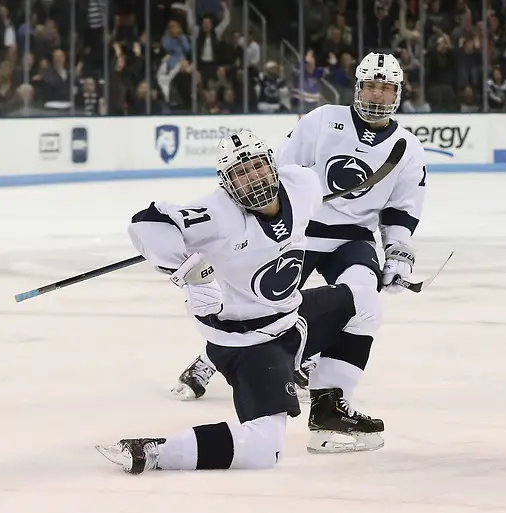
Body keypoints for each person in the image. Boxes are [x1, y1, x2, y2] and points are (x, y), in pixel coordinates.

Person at [96, 130, 386, 474]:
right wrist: (190, 271)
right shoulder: (217, 214)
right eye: (240, 173)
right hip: (248, 343)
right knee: (263, 450)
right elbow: (148, 224)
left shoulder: (302, 185)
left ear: (273, 166)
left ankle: (328, 409)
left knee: (365, 302)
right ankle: (157, 452)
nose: (252, 178)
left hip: (291, 318)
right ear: (226, 183)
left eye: (257, 167)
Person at [172, 51, 428, 408]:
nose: (377, 96)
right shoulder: (323, 120)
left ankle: (305, 360)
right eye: (370, 87)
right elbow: (278, 171)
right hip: (301, 228)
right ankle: (208, 361)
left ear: (398, 93)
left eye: (386, 89)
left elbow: (401, 206)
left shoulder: (408, 148)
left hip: (353, 238)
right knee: (254, 302)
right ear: (357, 88)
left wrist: (398, 250)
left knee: (359, 297)